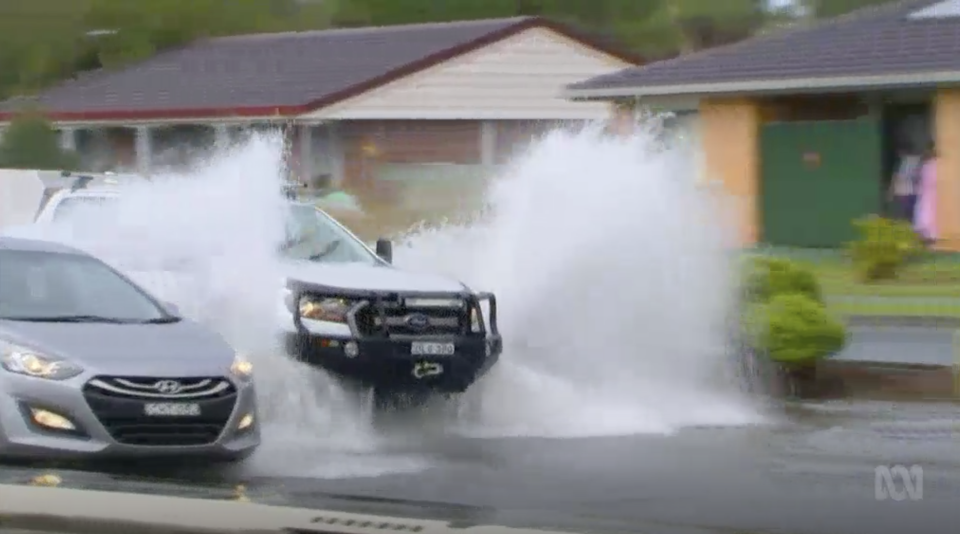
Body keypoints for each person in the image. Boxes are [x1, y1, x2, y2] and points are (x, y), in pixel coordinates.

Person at [888, 144, 922, 221]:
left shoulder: (901, 162)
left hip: (903, 192)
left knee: (903, 217)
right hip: (913, 192)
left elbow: (895, 177)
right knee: (912, 216)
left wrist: (890, 192)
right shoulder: (917, 160)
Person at [914, 144, 938, 245]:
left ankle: (929, 236)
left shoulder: (934, 165)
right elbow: (919, 179)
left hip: (931, 193)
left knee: (928, 214)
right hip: (925, 192)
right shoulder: (925, 165)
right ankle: (926, 236)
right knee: (924, 213)